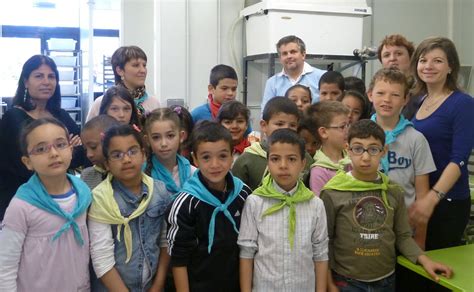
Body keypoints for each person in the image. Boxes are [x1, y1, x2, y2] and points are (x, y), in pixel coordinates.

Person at [320, 120, 453, 292]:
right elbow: (325, 241)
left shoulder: (393, 192)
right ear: (347, 149)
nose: (366, 157)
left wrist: (426, 261)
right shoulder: (332, 193)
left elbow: (403, 236)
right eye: (358, 148)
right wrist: (329, 282)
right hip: (346, 282)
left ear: (384, 151)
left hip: (386, 281)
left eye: (373, 149)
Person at [0, 117, 92, 291]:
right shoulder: (21, 206)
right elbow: (5, 265)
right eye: (41, 149)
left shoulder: (83, 193)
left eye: (60, 144)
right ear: (28, 162)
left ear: (71, 150)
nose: (54, 153)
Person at [238, 128, 328, 292]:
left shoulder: (315, 205)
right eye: (275, 159)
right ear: (268, 162)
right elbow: (246, 253)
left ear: (303, 164)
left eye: (291, 159)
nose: (283, 165)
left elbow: (320, 254)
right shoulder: (255, 202)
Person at [166, 121, 251, 292]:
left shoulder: (244, 194)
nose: (215, 165)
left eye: (222, 156)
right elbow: (178, 259)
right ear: (195, 159)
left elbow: (249, 249)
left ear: (232, 155)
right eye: (206, 157)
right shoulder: (185, 203)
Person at [409, 37, 474, 251]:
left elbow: (459, 159)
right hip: (419, 196)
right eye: (423, 60)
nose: (428, 66)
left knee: (437, 267)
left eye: (437, 61)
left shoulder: (463, 103)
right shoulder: (417, 101)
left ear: (450, 66)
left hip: (447, 201)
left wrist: (433, 197)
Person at [88, 124, 171, 291]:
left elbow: (165, 242)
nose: (126, 159)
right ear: (107, 164)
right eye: (117, 155)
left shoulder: (159, 191)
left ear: (144, 155)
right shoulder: (100, 198)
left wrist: (158, 284)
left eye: (132, 151)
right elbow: (102, 259)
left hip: (151, 286)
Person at [0, 55, 82, 220]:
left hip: (60, 199)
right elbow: (25, 166)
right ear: (25, 82)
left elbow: (82, 154)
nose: (46, 82)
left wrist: (69, 152)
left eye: (51, 76)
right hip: (21, 201)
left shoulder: (61, 115)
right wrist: (66, 149)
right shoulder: (14, 118)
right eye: (39, 76)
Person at [368, 68, 436, 249]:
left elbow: (422, 195)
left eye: (395, 95)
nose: (387, 100)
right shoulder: (360, 135)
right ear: (370, 95)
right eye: (380, 93)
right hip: (366, 230)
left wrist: (420, 240)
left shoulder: (416, 139)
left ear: (405, 100)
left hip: (404, 232)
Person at [232, 96, 313, 191]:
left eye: (292, 125)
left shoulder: (304, 158)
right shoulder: (247, 159)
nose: (286, 128)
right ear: (264, 125)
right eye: (279, 124)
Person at [86, 45, 160, 121]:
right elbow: (90, 131)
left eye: (144, 65)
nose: (143, 70)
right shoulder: (101, 103)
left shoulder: (153, 103)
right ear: (120, 71)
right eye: (136, 65)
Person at [261, 35, 326, 111]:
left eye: (293, 52)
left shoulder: (321, 77)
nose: (289, 56)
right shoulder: (272, 83)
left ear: (303, 54)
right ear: (280, 58)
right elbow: (266, 113)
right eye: (284, 53)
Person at [143, 108, 196, 195]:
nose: (164, 144)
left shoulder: (192, 173)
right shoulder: (141, 174)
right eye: (156, 137)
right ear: (147, 140)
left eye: (170, 136)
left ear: (181, 136)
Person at [308, 101, 351, 196]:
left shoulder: (353, 157)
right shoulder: (319, 172)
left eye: (348, 125)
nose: (348, 131)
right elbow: (323, 207)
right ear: (323, 132)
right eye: (342, 127)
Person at [377, 34, 419, 119]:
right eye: (386, 55)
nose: (392, 58)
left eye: (399, 54)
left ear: (411, 59)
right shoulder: (376, 93)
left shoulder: (422, 93)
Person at [80, 115, 120, 190]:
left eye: (93, 147)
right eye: (85, 149)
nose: (89, 155)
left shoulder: (126, 172)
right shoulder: (87, 175)